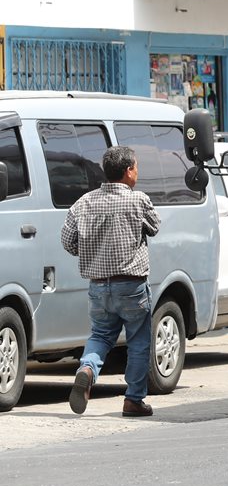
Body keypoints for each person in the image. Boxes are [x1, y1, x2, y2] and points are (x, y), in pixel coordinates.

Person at [61, 146, 160, 417]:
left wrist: (93, 249)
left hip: (98, 286)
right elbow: (154, 226)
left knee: (101, 335)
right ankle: (133, 400)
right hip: (131, 286)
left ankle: (88, 369)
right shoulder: (138, 200)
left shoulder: (83, 202)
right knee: (139, 342)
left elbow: (67, 241)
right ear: (128, 171)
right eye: (136, 167)